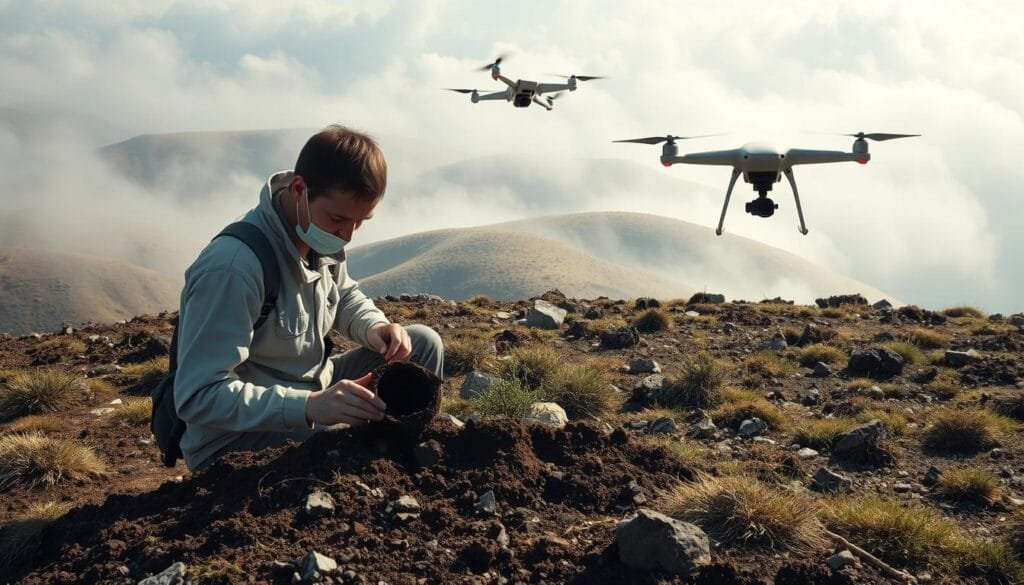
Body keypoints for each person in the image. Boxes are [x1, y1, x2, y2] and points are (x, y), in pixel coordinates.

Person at [173, 125, 444, 471]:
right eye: (339, 219)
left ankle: (395, 460)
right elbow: (200, 396)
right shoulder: (233, 268)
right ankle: (384, 464)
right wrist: (309, 407)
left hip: (313, 392)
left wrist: (374, 326)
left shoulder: (316, 238)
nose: (347, 235)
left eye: (361, 221)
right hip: (237, 441)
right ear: (299, 189)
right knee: (346, 438)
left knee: (422, 345)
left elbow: (344, 295)